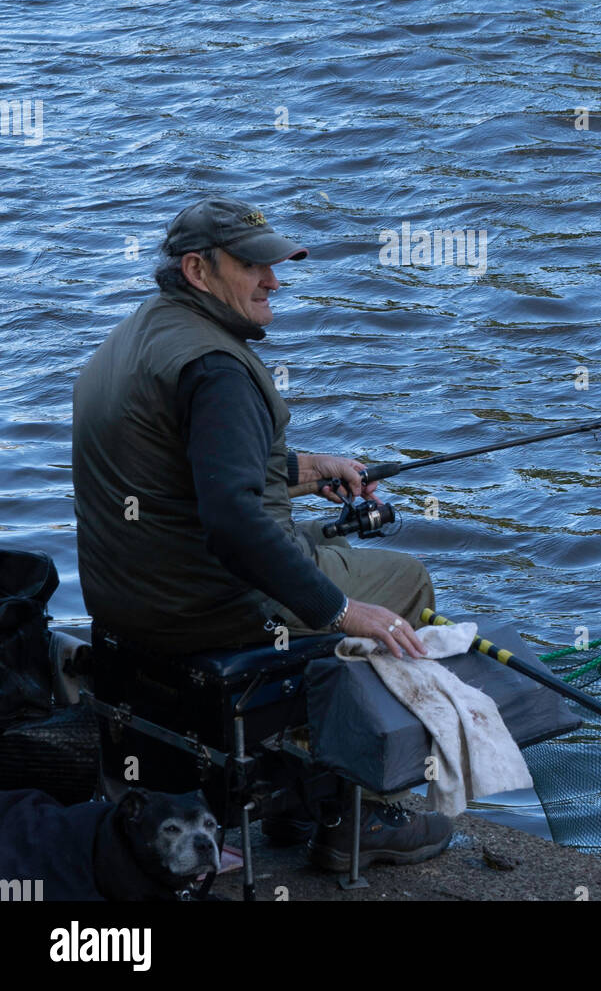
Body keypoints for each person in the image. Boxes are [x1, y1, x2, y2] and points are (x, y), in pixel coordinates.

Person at [73, 196, 451, 871]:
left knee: (321, 550)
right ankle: (351, 814)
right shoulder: (218, 369)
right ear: (198, 269)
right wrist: (342, 611)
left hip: (126, 598)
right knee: (402, 583)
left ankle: (294, 784)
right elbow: (233, 522)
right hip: (204, 606)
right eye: (254, 267)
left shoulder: (139, 335)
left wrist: (309, 468)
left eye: (274, 266)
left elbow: (181, 465)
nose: (273, 281)